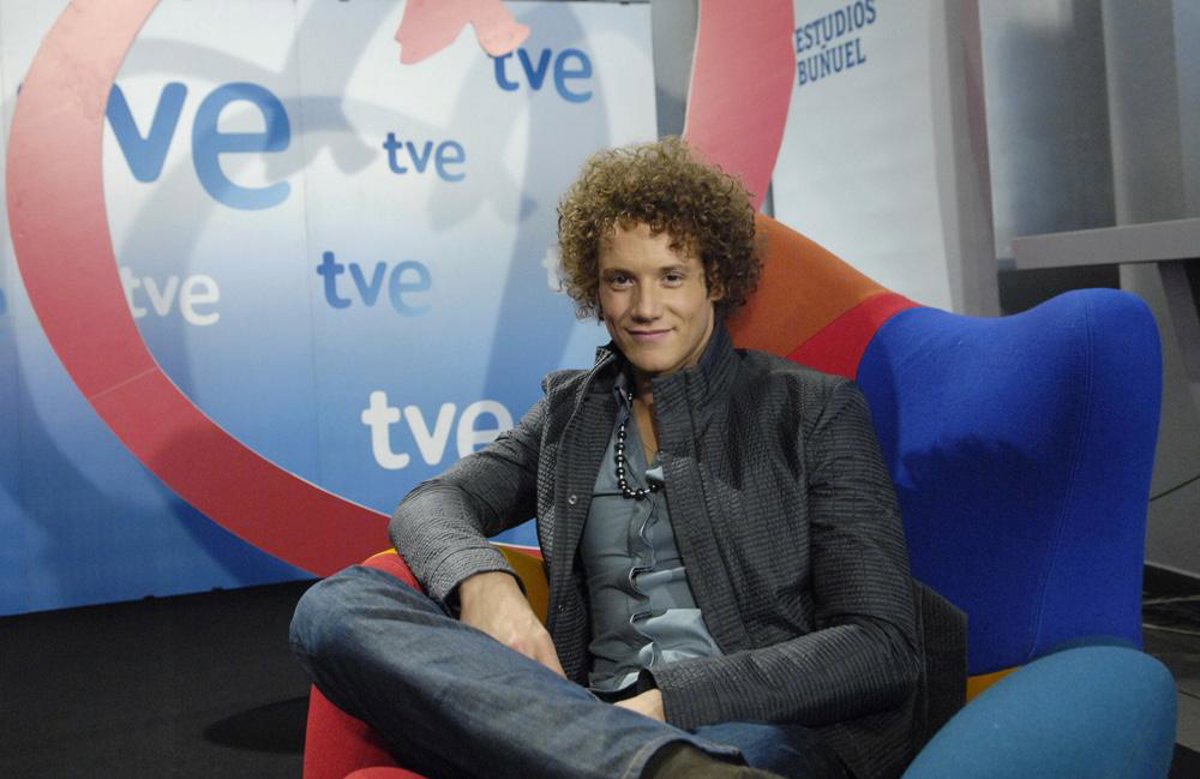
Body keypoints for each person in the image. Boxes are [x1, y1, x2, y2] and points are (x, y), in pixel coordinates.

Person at [290, 137, 934, 779]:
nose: (646, 308)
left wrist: (669, 702)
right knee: (335, 607)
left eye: (671, 276)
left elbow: (881, 645)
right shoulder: (573, 412)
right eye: (622, 280)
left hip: (747, 725)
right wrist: (484, 583)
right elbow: (433, 502)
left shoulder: (810, 409)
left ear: (715, 280)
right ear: (595, 290)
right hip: (586, 716)